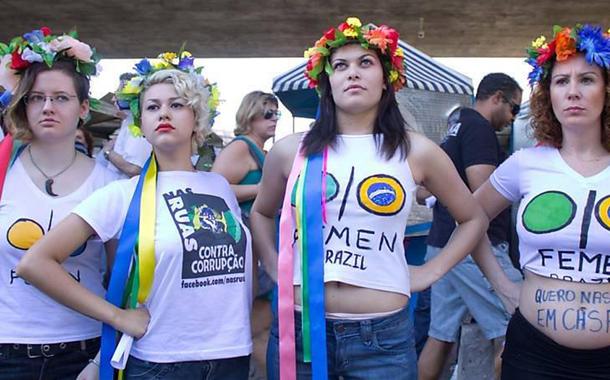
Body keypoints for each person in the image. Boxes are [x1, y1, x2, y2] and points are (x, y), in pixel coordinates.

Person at [250, 17, 488, 380]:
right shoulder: (290, 151)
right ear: (326, 82)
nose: (353, 74)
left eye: (366, 63)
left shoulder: (416, 151)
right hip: (299, 331)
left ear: (387, 78)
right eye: (341, 66)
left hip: (382, 338)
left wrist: (430, 272)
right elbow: (262, 213)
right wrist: (272, 263)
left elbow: (473, 218)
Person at [17, 51, 253, 379]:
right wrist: (117, 317)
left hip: (232, 356)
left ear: (197, 118)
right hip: (161, 361)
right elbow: (35, 263)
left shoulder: (219, 187)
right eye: (152, 107)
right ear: (141, 123)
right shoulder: (121, 194)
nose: (164, 113)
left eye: (177, 104)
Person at [471, 24, 610, 379]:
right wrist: (502, 285)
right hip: (534, 356)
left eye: (587, 80)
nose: (573, 92)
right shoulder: (526, 163)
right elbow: (470, 219)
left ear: (607, 90)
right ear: (548, 94)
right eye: (562, 81)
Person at [0, 27, 115, 378]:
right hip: (8, 351)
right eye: (36, 97)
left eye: (61, 98)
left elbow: (122, 281)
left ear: (83, 109)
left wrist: (99, 362)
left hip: (84, 351)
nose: (48, 107)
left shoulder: (111, 184)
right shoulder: (3, 171)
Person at [418, 74, 524, 380]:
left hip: (443, 243)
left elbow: (423, 190)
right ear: (497, 98)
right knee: (517, 329)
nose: (512, 118)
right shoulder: (479, 128)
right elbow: (482, 188)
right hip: (477, 246)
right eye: (514, 108)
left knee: (440, 335)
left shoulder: (456, 126)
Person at [211, 90, 279, 379]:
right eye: (267, 113)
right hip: (247, 243)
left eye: (276, 113)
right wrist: (265, 190)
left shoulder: (262, 151)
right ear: (250, 115)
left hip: (265, 244)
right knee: (252, 323)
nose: (274, 119)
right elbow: (214, 190)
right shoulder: (241, 148)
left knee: (263, 325)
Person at [98, 73, 152, 179]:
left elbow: (135, 169)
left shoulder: (138, 124)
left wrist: (108, 152)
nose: (113, 99)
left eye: (118, 93)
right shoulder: (129, 122)